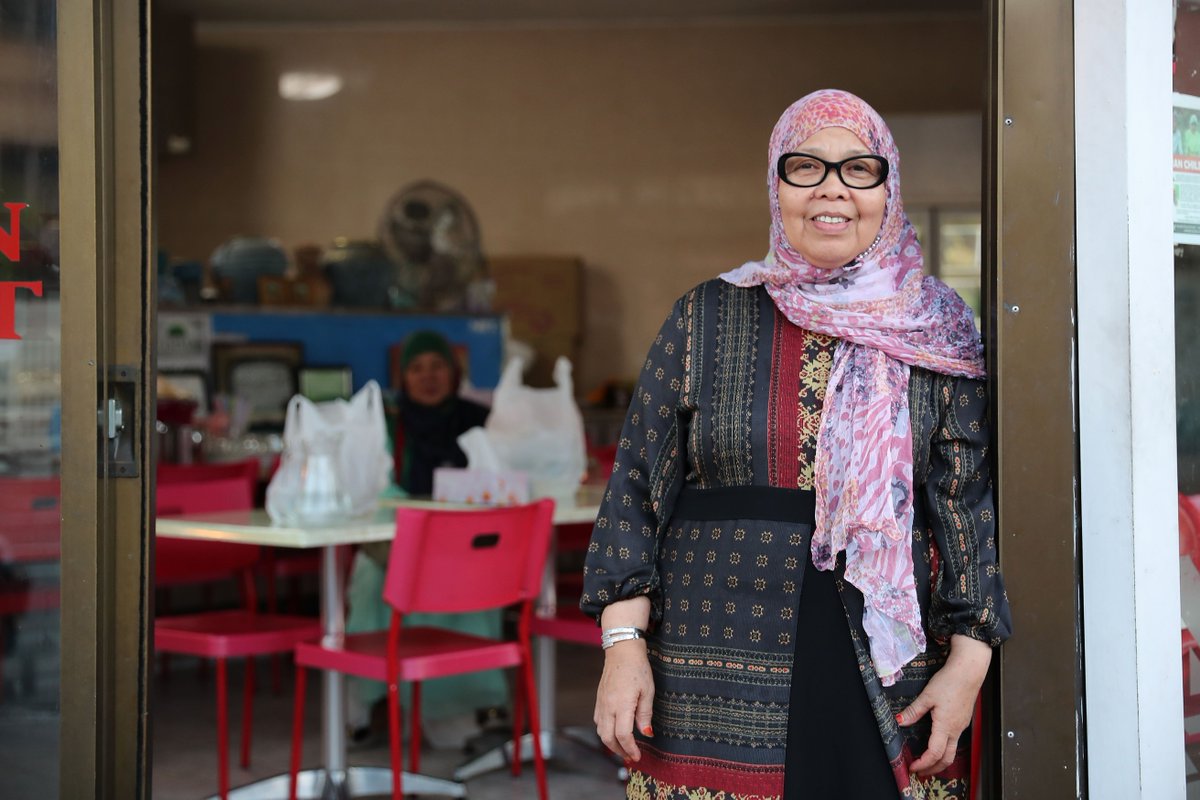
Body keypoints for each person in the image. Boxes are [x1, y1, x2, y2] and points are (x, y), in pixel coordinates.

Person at [580, 89, 1012, 800]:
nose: (832, 189)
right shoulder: (704, 316)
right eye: (805, 167)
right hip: (711, 662)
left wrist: (968, 664)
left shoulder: (937, 329)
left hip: (888, 664)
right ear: (776, 186)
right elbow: (634, 491)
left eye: (859, 169)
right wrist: (623, 648)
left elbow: (966, 506)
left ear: (888, 189)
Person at [344, 329, 503, 742]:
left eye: (437, 367)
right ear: (403, 377)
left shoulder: (480, 420)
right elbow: (370, 486)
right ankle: (380, 698)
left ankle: (471, 701)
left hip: (467, 543)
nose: (428, 376)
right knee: (371, 577)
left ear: (454, 373)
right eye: (416, 368)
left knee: (481, 579)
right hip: (397, 543)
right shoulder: (387, 424)